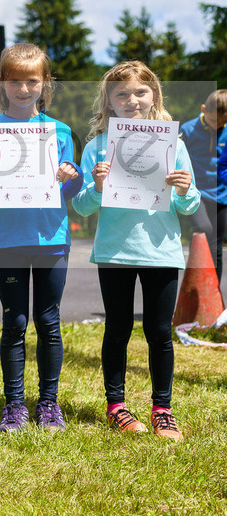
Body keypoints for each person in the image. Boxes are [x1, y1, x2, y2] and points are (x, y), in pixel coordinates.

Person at [72, 60, 199, 441]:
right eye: (121, 94)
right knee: (118, 329)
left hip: (161, 252)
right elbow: (81, 207)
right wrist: (96, 186)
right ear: (108, 102)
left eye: (140, 92)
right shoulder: (97, 146)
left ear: (154, 96)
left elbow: (189, 208)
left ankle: (162, 410)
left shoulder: (173, 144)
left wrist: (183, 189)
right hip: (115, 251)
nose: (132, 100)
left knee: (160, 332)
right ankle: (117, 407)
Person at [0, 44, 82, 433]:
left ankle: (49, 403)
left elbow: (70, 189)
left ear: (45, 83)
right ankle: (14, 404)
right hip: (9, 240)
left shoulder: (60, 131)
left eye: (32, 80)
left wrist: (71, 175)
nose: (23, 88)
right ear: (3, 82)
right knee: (14, 322)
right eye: (15, 80)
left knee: (49, 321)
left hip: (51, 238)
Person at [178, 89, 226, 286]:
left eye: (222, 124)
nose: (218, 126)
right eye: (214, 121)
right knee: (203, 229)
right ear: (203, 109)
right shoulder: (187, 130)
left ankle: (213, 297)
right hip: (196, 192)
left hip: (221, 194)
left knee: (216, 247)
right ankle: (193, 288)